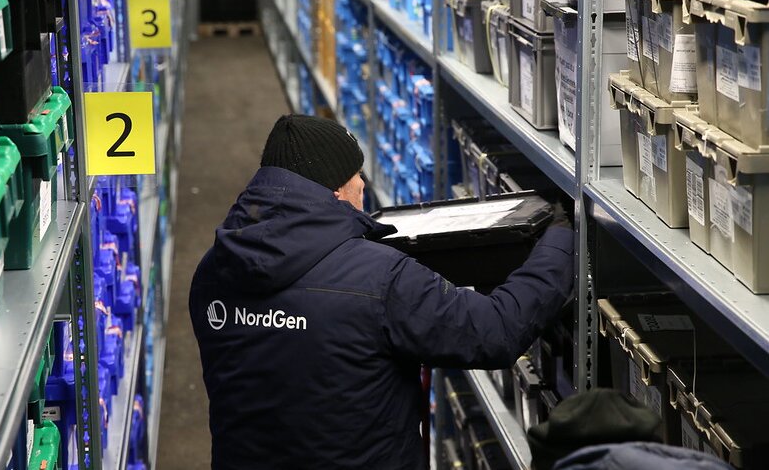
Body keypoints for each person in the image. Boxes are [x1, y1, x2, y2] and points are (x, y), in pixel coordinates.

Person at [189, 115, 574, 469]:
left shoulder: (213, 269)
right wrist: (559, 240)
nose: (362, 185)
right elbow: (494, 332)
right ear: (337, 189)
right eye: (357, 174)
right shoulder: (379, 277)